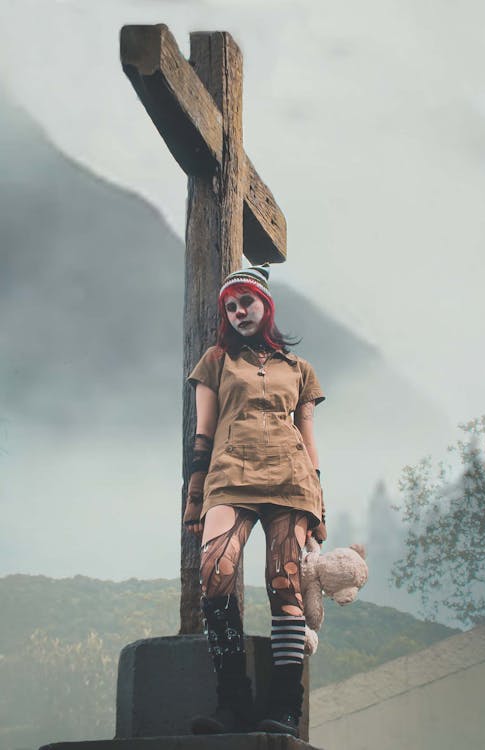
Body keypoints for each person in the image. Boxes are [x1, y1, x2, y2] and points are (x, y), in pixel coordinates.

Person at [184, 263, 327, 737]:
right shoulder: (216, 361)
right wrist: (193, 494)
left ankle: (286, 707)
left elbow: (307, 437)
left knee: (285, 588)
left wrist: (320, 505)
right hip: (229, 473)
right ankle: (233, 704)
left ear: (265, 305)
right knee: (215, 579)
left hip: (292, 480)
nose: (239, 311)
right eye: (231, 306)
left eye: (246, 302)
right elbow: (202, 434)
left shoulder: (299, 369)